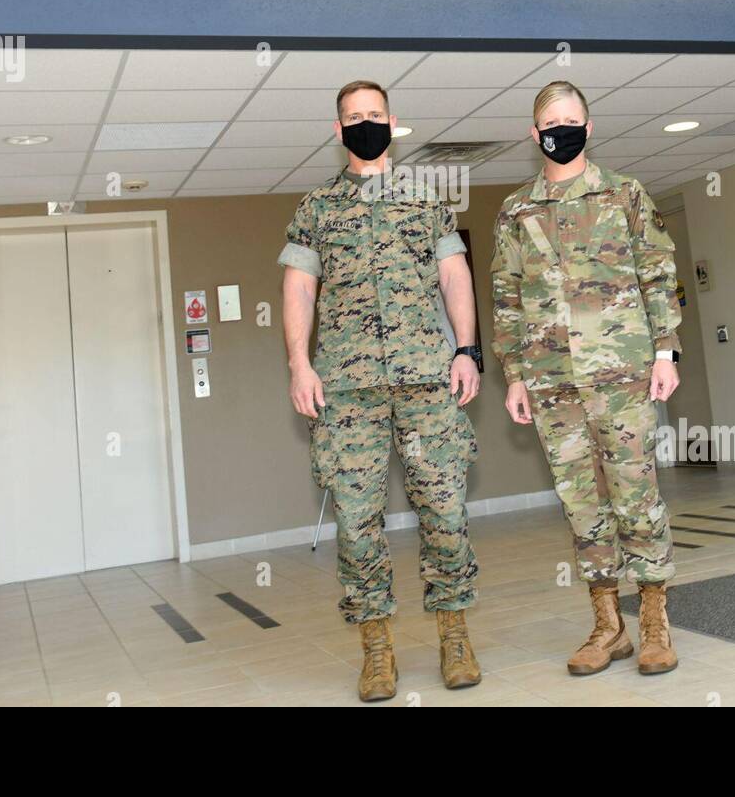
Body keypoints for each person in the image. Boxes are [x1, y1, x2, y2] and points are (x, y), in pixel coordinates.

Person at [279, 80, 483, 701]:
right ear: (337, 130)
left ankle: (454, 636)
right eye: (352, 118)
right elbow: (299, 290)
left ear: (393, 123)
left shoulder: (428, 202)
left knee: (445, 512)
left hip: (427, 380)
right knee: (357, 522)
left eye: (374, 115)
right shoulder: (315, 210)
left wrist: (467, 350)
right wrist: (298, 363)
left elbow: (455, 276)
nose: (364, 124)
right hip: (346, 391)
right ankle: (376, 651)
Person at [491, 80, 683, 677]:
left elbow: (657, 274)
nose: (562, 129)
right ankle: (608, 625)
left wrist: (666, 353)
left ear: (589, 127)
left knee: (636, 494)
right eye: (551, 121)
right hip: (551, 383)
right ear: (534, 133)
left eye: (572, 119)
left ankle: (655, 623)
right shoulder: (515, 210)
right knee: (581, 505)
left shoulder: (625, 194)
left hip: (621, 373)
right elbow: (506, 296)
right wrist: (515, 375)